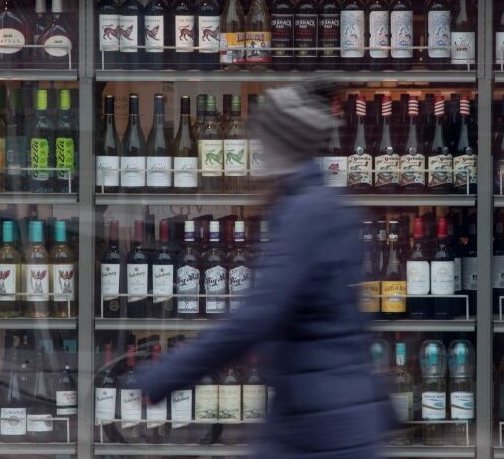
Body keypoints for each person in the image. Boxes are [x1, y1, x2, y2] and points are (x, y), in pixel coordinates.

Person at [138, 82, 395, 459]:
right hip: (324, 407)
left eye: (260, 143)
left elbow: (257, 315)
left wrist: (167, 375)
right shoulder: (330, 204)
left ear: (277, 147)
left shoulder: (305, 213)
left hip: (320, 420)